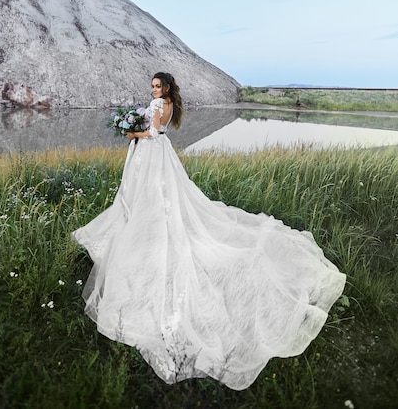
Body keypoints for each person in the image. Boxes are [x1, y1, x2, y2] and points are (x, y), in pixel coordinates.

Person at [71, 72, 346, 391]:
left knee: (162, 199)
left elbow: (156, 131)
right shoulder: (165, 103)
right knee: (148, 197)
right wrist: (136, 130)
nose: (154, 90)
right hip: (153, 155)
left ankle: (154, 230)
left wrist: (134, 134)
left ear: (168, 87)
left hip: (154, 152)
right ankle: (145, 227)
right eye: (152, 87)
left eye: (158, 86)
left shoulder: (164, 104)